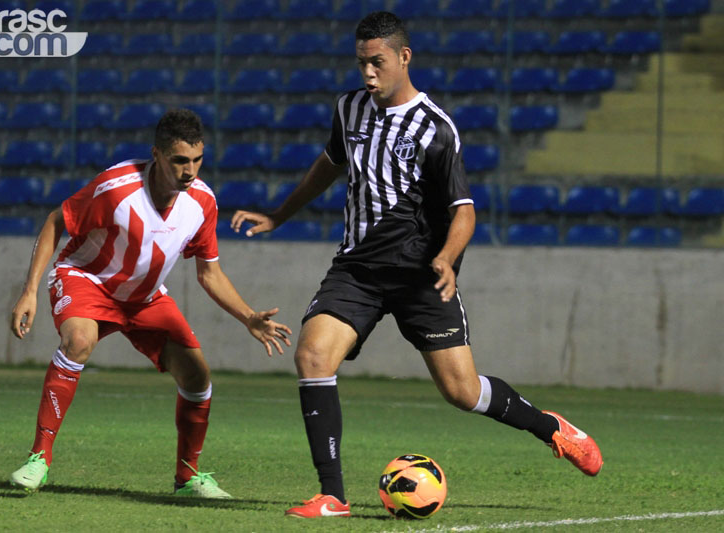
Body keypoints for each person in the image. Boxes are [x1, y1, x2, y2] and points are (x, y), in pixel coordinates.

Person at [231, 12, 603, 518]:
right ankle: (333, 496)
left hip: (420, 276)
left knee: (463, 392)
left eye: (377, 62)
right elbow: (329, 164)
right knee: (313, 357)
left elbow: (464, 211)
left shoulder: (436, 129)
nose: (367, 73)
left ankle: (552, 428)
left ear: (404, 57)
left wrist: (447, 259)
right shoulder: (348, 109)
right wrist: (279, 213)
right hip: (357, 270)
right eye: (361, 62)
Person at [9, 109, 292, 498]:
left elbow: (209, 273)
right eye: (179, 160)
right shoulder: (116, 187)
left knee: (197, 376)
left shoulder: (203, 203)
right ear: (156, 155)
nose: (189, 171)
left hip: (144, 297)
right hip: (87, 279)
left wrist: (248, 317)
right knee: (78, 340)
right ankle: (38, 459)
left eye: (197, 160)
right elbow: (57, 221)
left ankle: (188, 477)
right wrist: (29, 291)